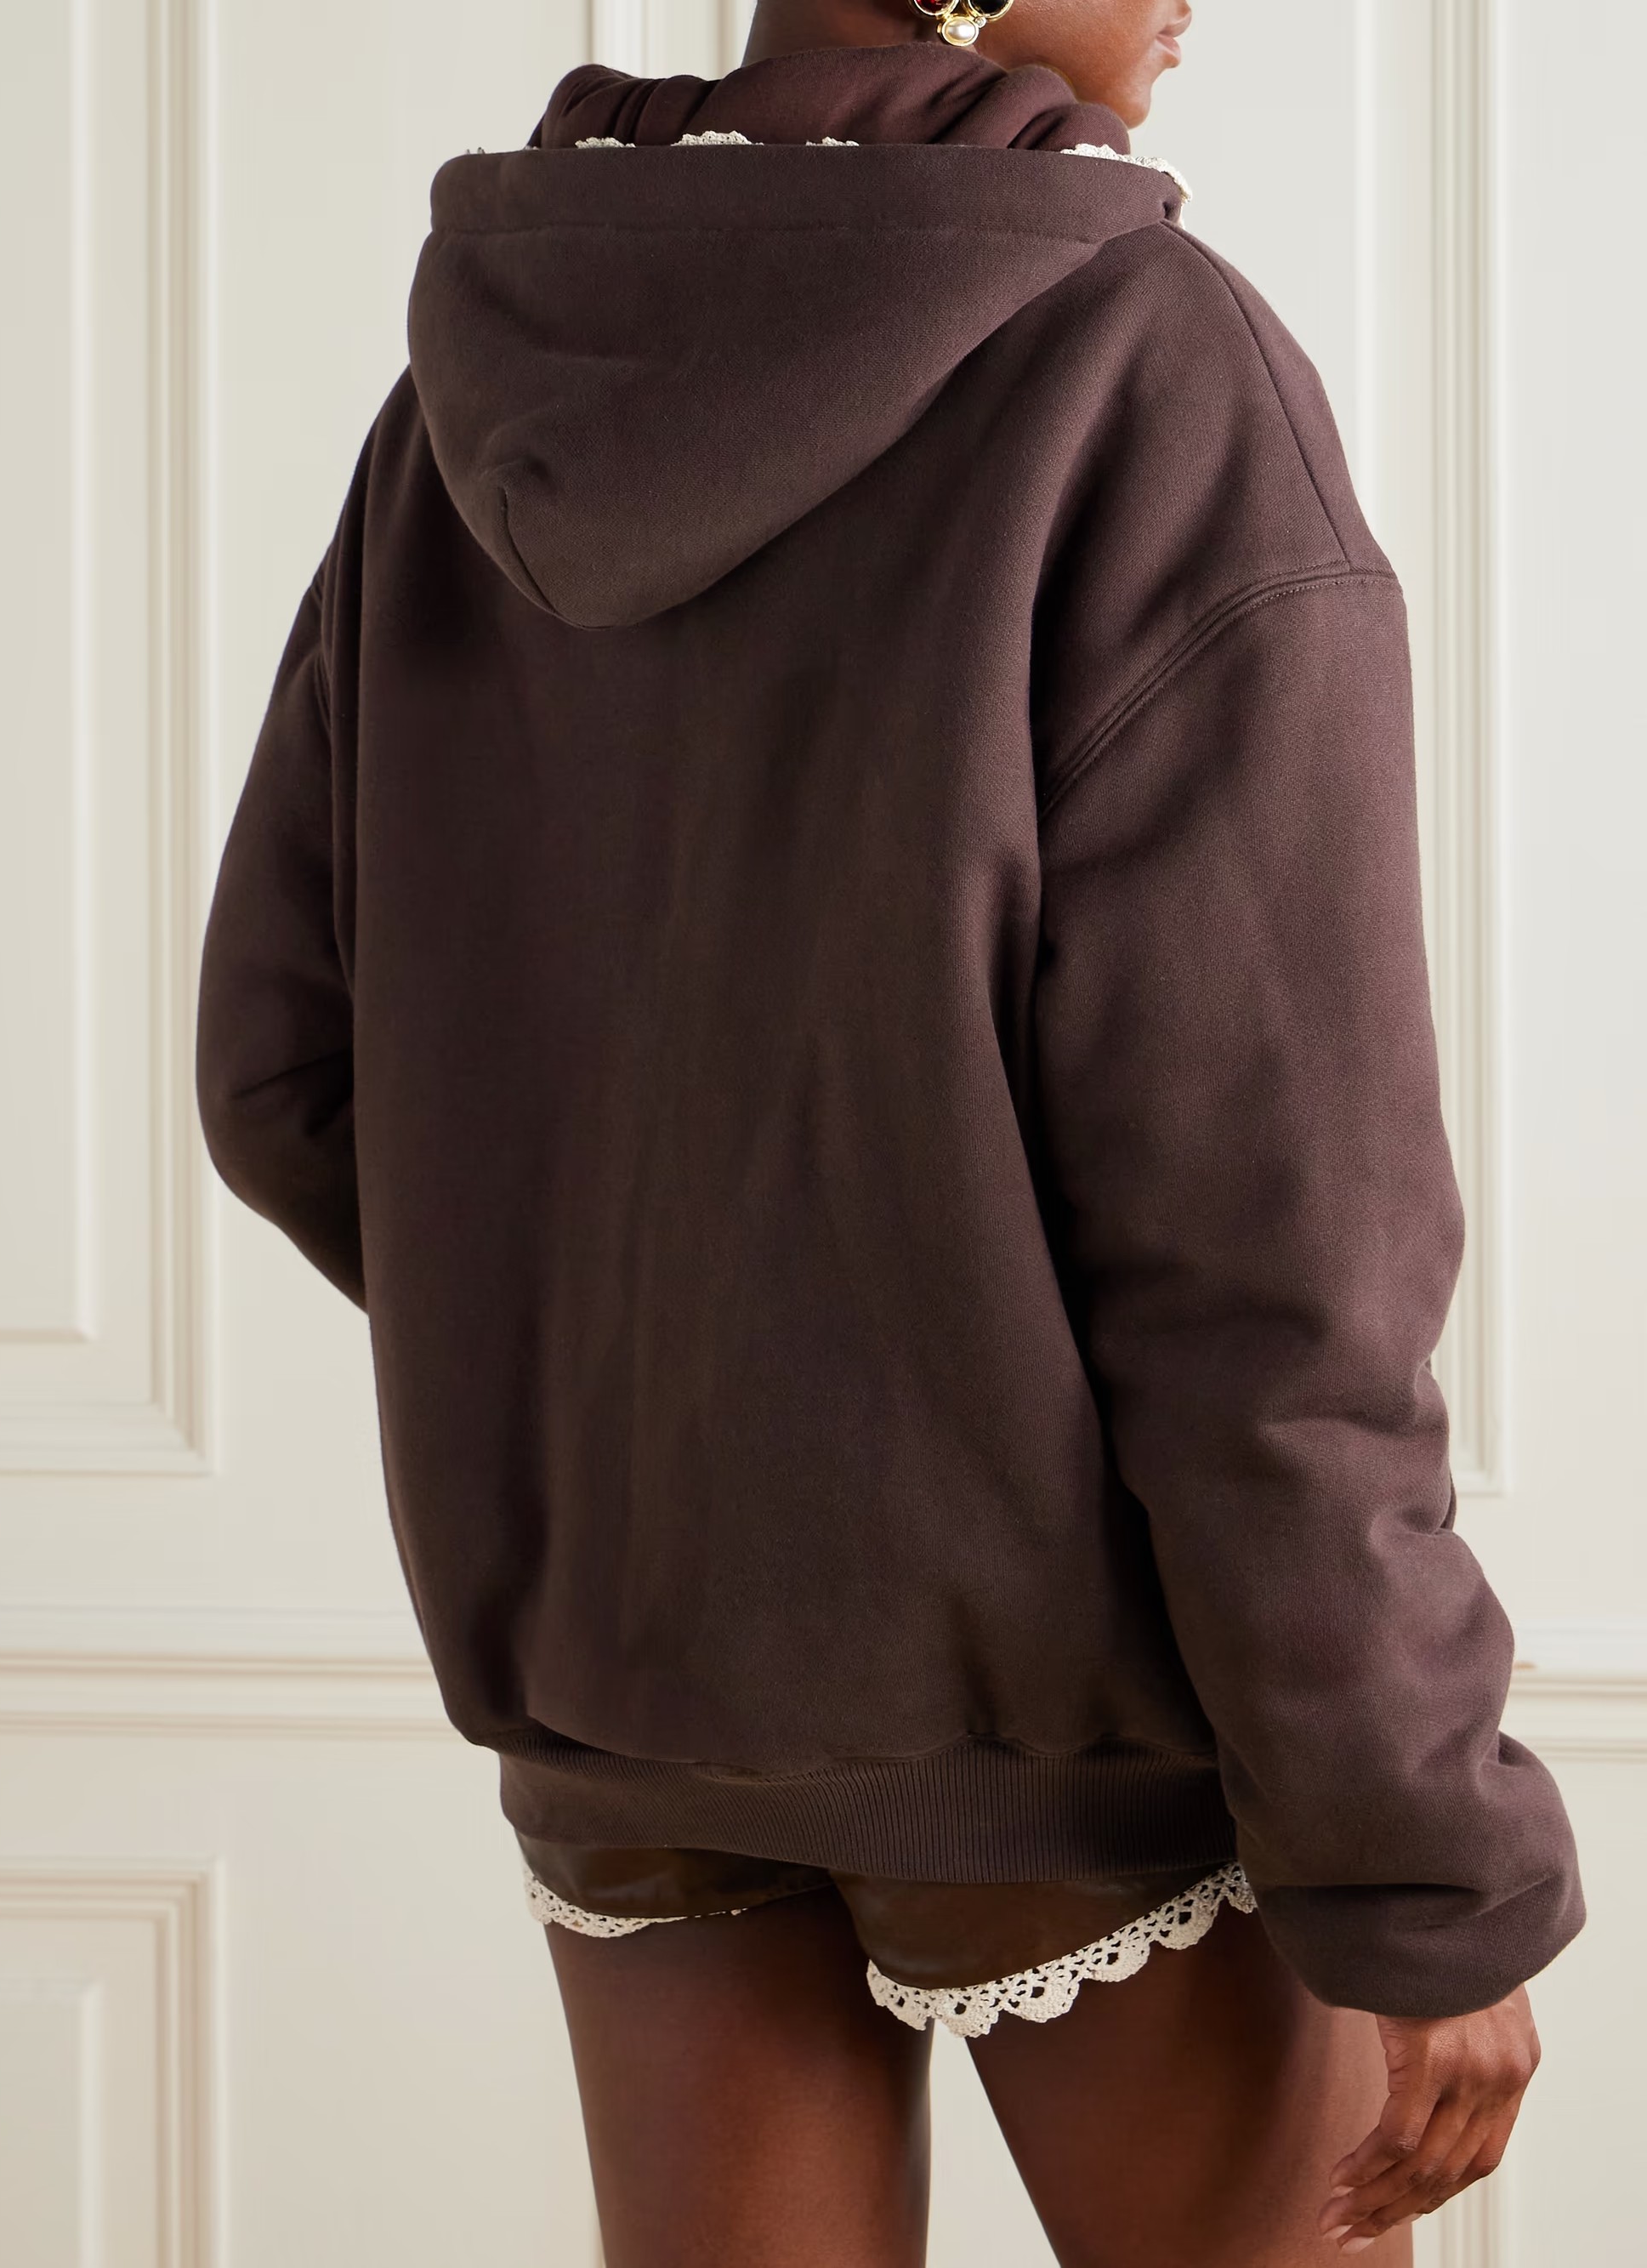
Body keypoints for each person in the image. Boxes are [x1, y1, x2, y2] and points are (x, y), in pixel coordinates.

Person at [196, 1, 1584, 2259]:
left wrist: (665, 1396)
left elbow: (282, 1071)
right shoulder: (1145, 364)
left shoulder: (473, 401)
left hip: (624, 1687)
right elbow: (1271, 1244)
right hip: (1074, 1711)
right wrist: (1421, 1854)